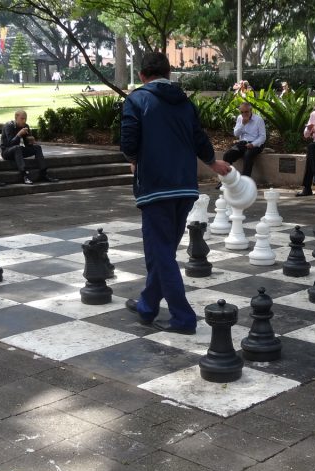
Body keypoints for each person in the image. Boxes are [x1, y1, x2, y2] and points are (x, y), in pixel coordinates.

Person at [120, 51, 231, 335]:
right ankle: (147, 304)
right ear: (169, 74)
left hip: (155, 186)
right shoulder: (185, 102)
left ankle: (183, 318)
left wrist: (134, 160)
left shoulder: (136, 99)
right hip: (184, 186)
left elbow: (128, 143)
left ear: (143, 76)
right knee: (164, 250)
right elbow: (199, 138)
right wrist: (212, 162)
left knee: (160, 253)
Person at [1, 110, 59, 185]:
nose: (24, 121)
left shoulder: (25, 126)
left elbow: (27, 145)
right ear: (16, 118)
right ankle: (24, 175)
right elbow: (10, 144)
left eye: (25, 119)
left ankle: (44, 173)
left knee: (37, 148)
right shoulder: (9, 126)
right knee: (17, 148)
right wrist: (19, 134)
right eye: (22, 119)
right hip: (6, 152)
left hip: (17, 151)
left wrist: (31, 141)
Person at [222, 101, 266, 177]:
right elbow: (236, 134)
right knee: (227, 155)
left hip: (255, 144)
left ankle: (245, 181)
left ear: (251, 111)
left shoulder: (258, 120)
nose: (244, 114)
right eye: (242, 112)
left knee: (248, 155)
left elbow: (263, 137)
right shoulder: (240, 118)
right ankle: (226, 179)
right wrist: (243, 124)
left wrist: (253, 144)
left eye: (246, 112)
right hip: (242, 144)